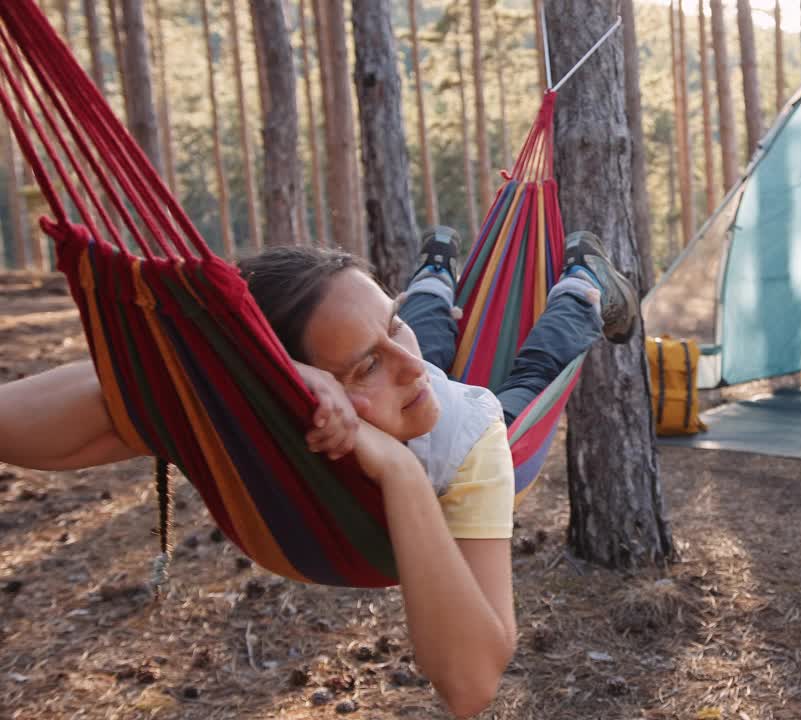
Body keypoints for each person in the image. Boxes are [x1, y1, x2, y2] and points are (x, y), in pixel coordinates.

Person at [0, 228, 639, 718]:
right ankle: (434, 279)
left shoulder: (469, 445)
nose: (405, 366)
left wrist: (400, 471)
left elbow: (472, 684)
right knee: (428, 356)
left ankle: (579, 287)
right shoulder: (251, 422)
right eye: (361, 367)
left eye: (392, 325)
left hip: (469, 422)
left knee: (513, 378)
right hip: (377, 414)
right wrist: (234, 371)